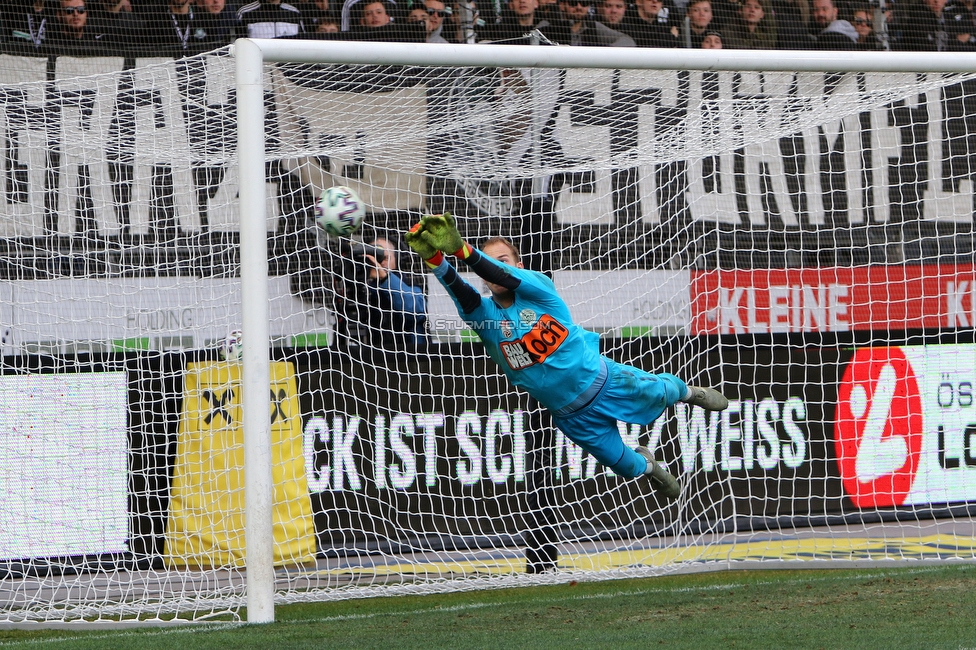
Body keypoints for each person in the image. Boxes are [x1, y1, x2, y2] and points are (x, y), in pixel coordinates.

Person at [405, 214, 729, 498]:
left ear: (517, 265)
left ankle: (690, 392)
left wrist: (464, 250)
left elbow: (502, 275)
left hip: (607, 382)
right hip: (572, 416)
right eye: (490, 264)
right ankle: (649, 467)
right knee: (625, 467)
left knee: (663, 391)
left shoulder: (539, 289)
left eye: (503, 260)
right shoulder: (487, 320)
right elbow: (463, 295)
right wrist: (436, 260)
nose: (496, 269)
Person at [362, 236, 429, 347]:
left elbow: (414, 311)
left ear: (398, 260)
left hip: (409, 358)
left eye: (385, 258)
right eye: (374, 258)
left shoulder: (411, 286)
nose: (379, 263)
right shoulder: (363, 291)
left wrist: (385, 279)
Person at [548, 0, 636, 45]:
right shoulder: (548, 26)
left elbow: (628, 41)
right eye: (573, 2)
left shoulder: (593, 26)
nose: (579, 7)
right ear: (562, 5)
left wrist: (602, 54)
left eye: (584, 3)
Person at [237, 0, 305, 38]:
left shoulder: (294, 13)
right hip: (257, 61)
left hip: (287, 61)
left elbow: (303, 42)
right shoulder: (245, 13)